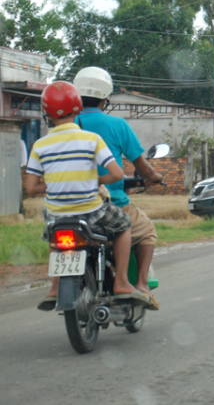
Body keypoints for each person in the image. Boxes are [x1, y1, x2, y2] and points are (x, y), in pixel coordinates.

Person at [25, 81, 150, 310]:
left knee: (55, 237)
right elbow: (116, 174)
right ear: (77, 109)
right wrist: (93, 181)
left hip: (57, 215)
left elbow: (31, 188)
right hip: (91, 211)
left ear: (47, 113)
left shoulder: (40, 145)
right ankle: (122, 282)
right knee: (124, 226)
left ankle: (54, 287)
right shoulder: (91, 140)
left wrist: (55, 183)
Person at [73, 67, 162, 308]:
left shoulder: (66, 125)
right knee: (147, 231)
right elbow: (142, 167)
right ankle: (141, 284)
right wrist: (153, 176)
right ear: (105, 98)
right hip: (107, 204)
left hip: (70, 207)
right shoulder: (117, 125)